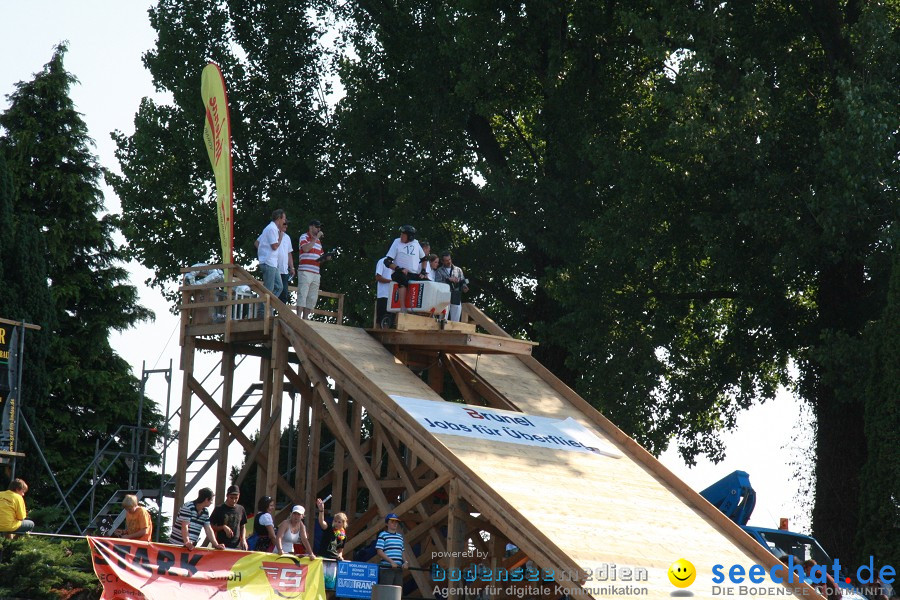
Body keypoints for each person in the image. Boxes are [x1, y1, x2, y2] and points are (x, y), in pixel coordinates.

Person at [385, 225, 426, 313]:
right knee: (402, 279)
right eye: (401, 234)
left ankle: (424, 311)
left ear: (410, 237)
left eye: (403, 235)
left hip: (412, 274)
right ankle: (402, 308)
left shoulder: (416, 243)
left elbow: (424, 259)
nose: (401, 236)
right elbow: (387, 262)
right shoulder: (396, 242)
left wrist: (423, 271)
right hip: (399, 272)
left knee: (426, 281)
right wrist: (399, 268)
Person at [257, 209, 288, 316]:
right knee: (269, 289)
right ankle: (262, 312)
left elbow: (259, 243)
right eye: (284, 219)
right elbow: (274, 246)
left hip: (272, 263)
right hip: (268, 262)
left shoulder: (273, 229)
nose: (284, 222)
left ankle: (267, 307)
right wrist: (280, 237)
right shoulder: (271, 229)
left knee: (279, 287)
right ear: (279, 219)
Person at [297, 219, 327, 319]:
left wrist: (326, 258)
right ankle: (298, 318)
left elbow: (320, 257)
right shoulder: (304, 237)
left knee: (312, 298)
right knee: (303, 294)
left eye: (320, 227)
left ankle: (305, 319)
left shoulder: (318, 242)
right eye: (317, 227)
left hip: (316, 272)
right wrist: (315, 238)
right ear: (311, 227)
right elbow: (305, 248)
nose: (319, 229)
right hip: (305, 271)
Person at [209, 485, 248, 550]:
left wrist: (243, 539)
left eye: (236, 498)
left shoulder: (241, 509)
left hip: (237, 546)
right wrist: (223, 527)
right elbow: (211, 527)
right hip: (222, 546)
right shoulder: (219, 509)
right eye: (231, 498)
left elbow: (242, 526)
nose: (234, 500)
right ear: (227, 496)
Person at [434, 251, 469, 322]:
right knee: (443, 316)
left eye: (449, 259)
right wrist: (448, 280)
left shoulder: (458, 270)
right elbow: (438, 283)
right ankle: (441, 330)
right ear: (442, 261)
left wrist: (464, 287)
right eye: (446, 260)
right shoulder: (439, 271)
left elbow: (462, 281)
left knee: (456, 313)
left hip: (456, 293)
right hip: (444, 294)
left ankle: (454, 330)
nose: (449, 261)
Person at [376, 512, 407, 586]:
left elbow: (402, 551)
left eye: (396, 522)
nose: (395, 523)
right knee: (387, 592)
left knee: (397, 592)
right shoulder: (383, 535)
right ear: (387, 524)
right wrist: (391, 562)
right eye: (392, 522)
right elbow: (379, 551)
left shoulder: (400, 537)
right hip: (386, 568)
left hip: (398, 568)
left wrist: (405, 562)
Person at [277, 218, 295, 304]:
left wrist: (292, 267)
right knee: (274, 291)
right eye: (285, 224)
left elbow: (289, 253)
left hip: (284, 270)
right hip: (274, 267)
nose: (286, 226)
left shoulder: (287, 237)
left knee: (284, 294)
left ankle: (281, 316)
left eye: (287, 224)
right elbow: (257, 243)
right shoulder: (272, 233)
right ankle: (270, 314)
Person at [375, 257, 394, 328]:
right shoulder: (382, 261)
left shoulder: (397, 263)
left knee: (391, 320)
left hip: (393, 296)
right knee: (381, 318)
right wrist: (391, 281)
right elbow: (378, 277)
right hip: (383, 294)